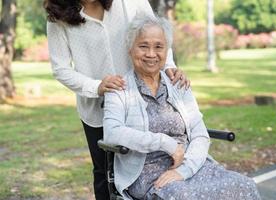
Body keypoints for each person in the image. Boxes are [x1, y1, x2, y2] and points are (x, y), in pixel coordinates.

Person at [103, 14, 261, 200]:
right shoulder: (119, 88)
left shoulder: (178, 84)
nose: (151, 54)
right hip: (147, 173)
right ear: (130, 50)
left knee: (244, 185)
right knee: (183, 196)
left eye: (159, 47)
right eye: (143, 46)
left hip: (190, 165)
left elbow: (200, 134)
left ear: (166, 51)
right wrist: (165, 143)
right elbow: (112, 133)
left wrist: (184, 170)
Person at [43, 0, 189, 199]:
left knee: (153, 164)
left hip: (144, 101)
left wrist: (169, 65)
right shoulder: (58, 17)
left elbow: (156, 32)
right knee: (105, 172)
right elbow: (61, 69)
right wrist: (96, 86)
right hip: (97, 111)